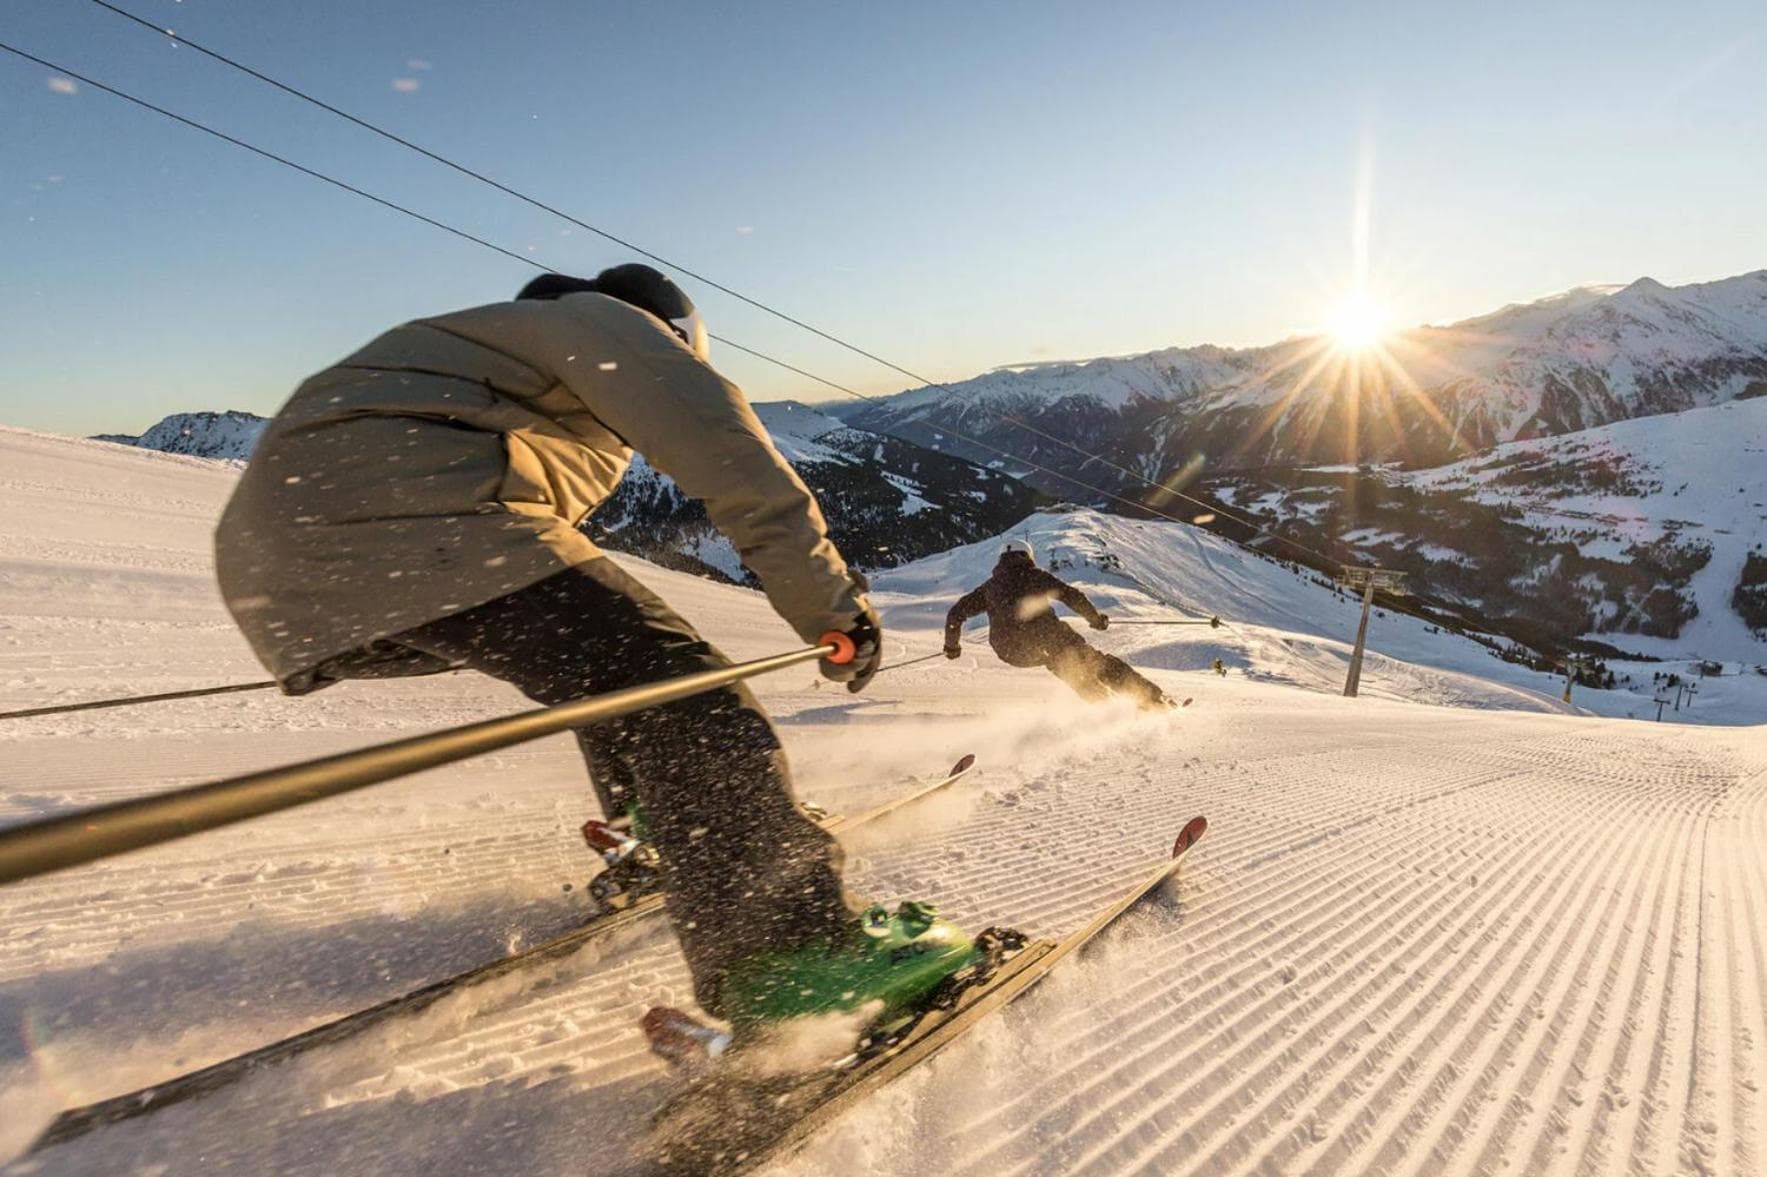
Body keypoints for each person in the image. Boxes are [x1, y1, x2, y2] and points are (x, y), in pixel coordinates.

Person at [213, 264, 976, 1029]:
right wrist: (831, 607)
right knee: (684, 693)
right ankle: (792, 952)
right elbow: (728, 452)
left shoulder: (490, 355)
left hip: (284, 585)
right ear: (673, 331)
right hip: (416, 525)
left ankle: (668, 821)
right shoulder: (603, 323)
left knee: (611, 673)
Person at [944, 540, 1175, 710]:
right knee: (1096, 662)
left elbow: (955, 614)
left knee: (1065, 666)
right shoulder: (1035, 576)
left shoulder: (988, 588)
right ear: (1028, 556)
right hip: (1046, 637)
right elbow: (1071, 595)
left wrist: (952, 646)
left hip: (1011, 652)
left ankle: (1107, 709)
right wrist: (1095, 619)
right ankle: (1153, 701)